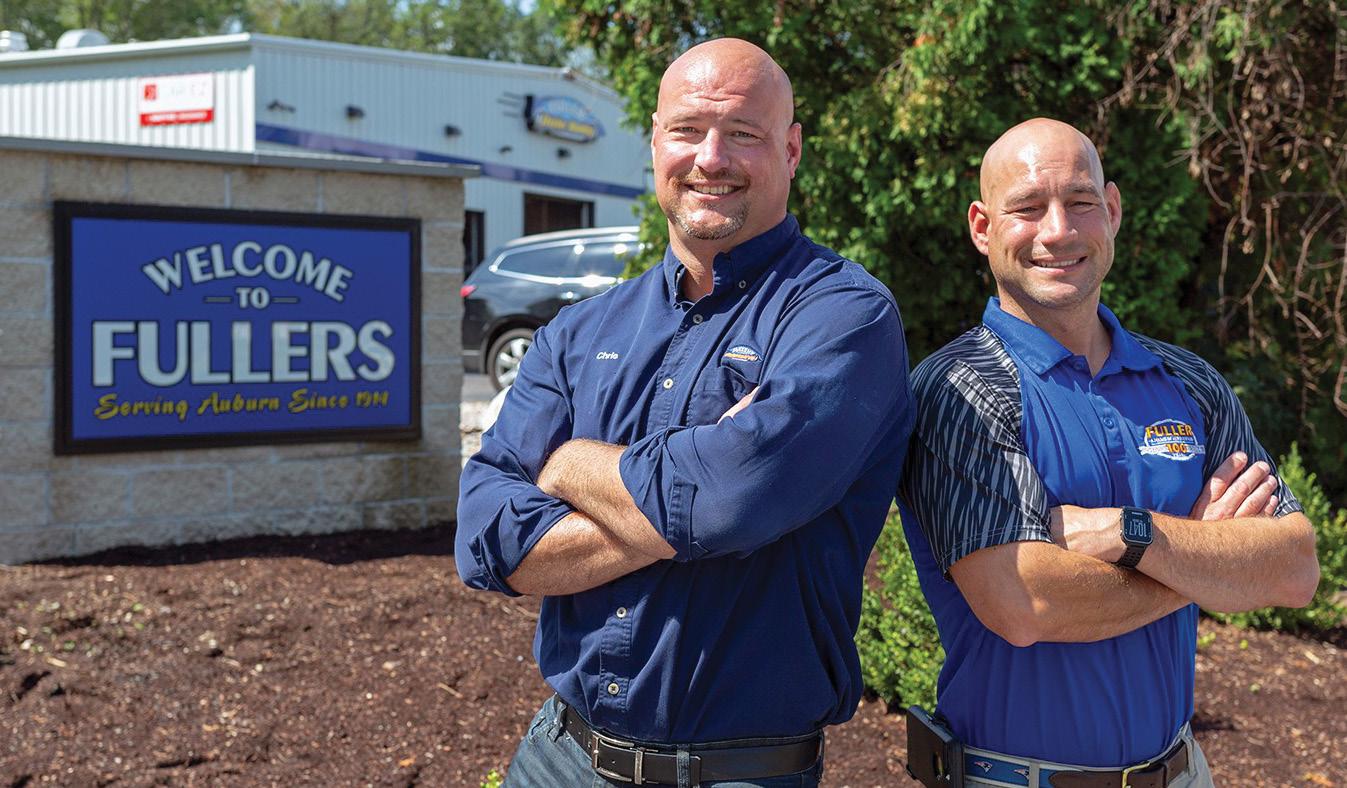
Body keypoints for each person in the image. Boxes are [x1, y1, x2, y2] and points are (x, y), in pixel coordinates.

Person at [456, 38, 913, 787]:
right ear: (654, 143)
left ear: (791, 150)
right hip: (558, 757)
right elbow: (485, 534)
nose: (711, 158)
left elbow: (729, 501)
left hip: (741, 770)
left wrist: (567, 464)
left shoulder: (842, 317)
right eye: (687, 130)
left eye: (743, 133)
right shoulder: (581, 330)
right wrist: (692, 499)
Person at [898, 118, 1320, 787]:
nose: (1058, 230)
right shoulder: (959, 392)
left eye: (1080, 201)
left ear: (1113, 210)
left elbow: (1294, 568)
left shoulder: (1187, 382)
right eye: (1027, 208)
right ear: (982, 227)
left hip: (1181, 772)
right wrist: (1205, 563)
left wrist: (1133, 533)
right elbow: (1025, 605)